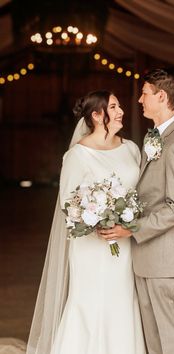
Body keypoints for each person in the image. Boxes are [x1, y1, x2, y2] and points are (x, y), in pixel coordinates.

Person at [26, 90, 146, 354]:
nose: (121, 111)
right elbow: (67, 204)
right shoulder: (77, 156)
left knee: (122, 299)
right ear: (96, 115)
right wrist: (98, 219)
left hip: (123, 242)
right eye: (113, 107)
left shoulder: (131, 149)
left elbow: (138, 194)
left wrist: (127, 219)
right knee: (89, 301)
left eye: (119, 106)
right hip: (91, 247)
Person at [100, 69, 174, 354]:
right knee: (154, 339)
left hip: (165, 260)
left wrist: (130, 228)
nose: (140, 99)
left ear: (162, 96)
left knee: (170, 337)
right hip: (147, 258)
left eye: (144, 93)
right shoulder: (156, 137)